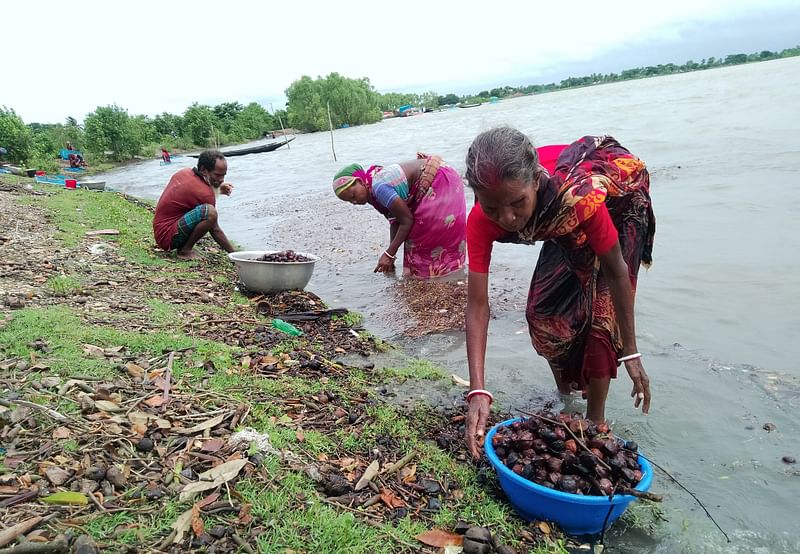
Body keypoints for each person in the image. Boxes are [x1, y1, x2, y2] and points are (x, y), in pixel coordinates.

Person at [463, 127, 655, 458]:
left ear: (536, 180)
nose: (507, 219)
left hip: (615, 209)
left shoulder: (577, 197)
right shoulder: (482, 219)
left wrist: (632, 351)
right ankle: (566, 397)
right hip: (556, 219)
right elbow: (478, 306)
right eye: (492, 208)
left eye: (517, 203)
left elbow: (616, 269)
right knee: (543, 313)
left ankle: (596, 422)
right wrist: (477, 390)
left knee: (601, 321)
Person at [332, 153, 467, 279]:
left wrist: (389, 254)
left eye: (353, 195)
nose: (354, 202)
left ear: (360, 182)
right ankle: (448, 277)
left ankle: (439, 279)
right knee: (415, 245)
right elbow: (395, 220)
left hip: (440, 181)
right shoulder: (373, 189)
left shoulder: (379, 187)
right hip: (443, 174)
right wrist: (391, 254)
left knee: (419, 240)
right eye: (350, 201)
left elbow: (406, 220)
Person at [153, 150, 235, 260]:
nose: (221, 180)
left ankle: (184, 248)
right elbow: (214, 228)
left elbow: (193, 194)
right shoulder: (205, 194)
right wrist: (234, 254)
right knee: (210, 212)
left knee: (206, 211)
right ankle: (185, 251)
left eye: (223, 176)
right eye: (217, 175)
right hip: (167, 237)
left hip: (161, 231)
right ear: (203, 170)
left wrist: (218, 187)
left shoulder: (185, 172)